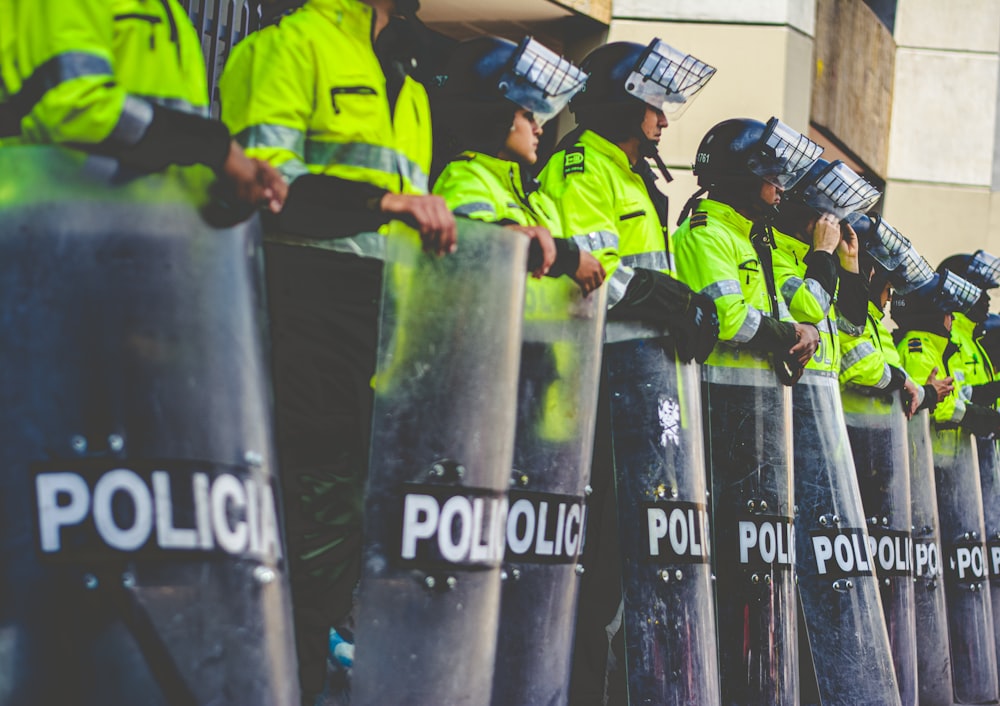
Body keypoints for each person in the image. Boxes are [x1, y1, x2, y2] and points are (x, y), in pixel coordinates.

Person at [217, 2, 498, 703]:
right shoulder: (291, 45)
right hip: (301, 302)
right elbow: (266, 189)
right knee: (304, 524)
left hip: (378, 317)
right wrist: (385, 204)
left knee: (349, 529)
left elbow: (416, 209)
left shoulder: (405, 71)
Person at [537, 38, 718, 705]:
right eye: (653, 106)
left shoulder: (631, 171)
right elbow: (598, 278)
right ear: (621, 103)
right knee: (585, 569)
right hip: (590, 392)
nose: (664, 120)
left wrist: (683, 311)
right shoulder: (585, 164)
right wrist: (673, 301)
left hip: (638, 390)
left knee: (616, 564)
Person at [672, 116, 823, 704]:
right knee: (724, 569)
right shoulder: (708, 231)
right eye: (770, 176)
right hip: (716, 414)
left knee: (752, 571)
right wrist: (786, 332)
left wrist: (790, 335)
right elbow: (730, 320)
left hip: (755, 417)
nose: (780, 188)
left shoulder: (747, 236)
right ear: (741, 177)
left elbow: (793, 315)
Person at [0, 0, 285, 212]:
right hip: (47, 244)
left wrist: (226, 181)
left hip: (129, 252)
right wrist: (215, 149)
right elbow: (74, 108)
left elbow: (169, 148)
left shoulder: (167, 11)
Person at [432, 35, 604, 292]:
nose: (539, 130)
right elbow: (472, 244)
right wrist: (565, 257)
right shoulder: (466, 176)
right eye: (528, 116)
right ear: (497, 116)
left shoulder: (534, 196)